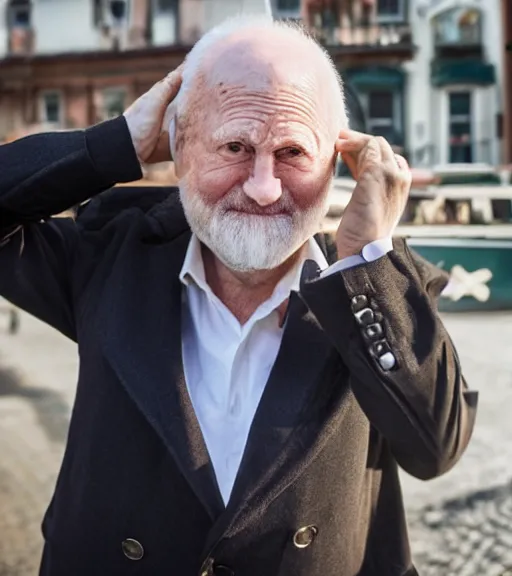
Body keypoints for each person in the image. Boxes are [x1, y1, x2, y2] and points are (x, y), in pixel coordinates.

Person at [0, 16, 477, 576]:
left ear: (338, 160)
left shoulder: (375, 288)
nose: (263, 186)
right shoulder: (110, 259)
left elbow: (436, 447)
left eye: (294, 153)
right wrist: (113, 146)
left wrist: (368, 252)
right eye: (234, 145)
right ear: (179, 145)